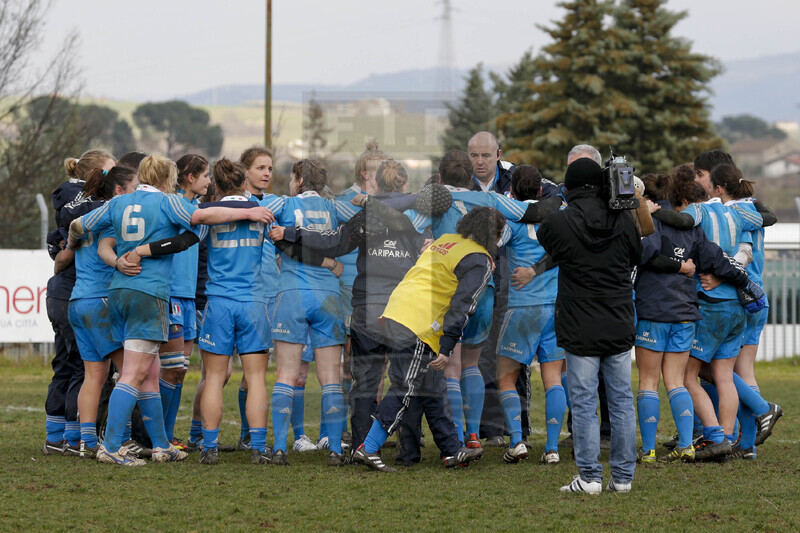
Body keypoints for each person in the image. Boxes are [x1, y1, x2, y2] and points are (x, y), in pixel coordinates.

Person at [69, 154, 274, 466]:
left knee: (150, 373)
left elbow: (78, 225)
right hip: (148, 292)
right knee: (134, 373)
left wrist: (78, 245)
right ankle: (110, 446)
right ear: (168, 179)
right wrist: (249, 211)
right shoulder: (167, 202)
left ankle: (161, 444)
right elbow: (201, 217)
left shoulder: (118, 202)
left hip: (119, 290)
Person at [353, 207, 503, 472]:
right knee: (404, 385)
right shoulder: (478, 259)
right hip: (419, 321)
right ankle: (368, 447)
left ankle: (452, 450)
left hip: (398, 309)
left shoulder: (447, 240)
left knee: (433, 386)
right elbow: (464, 304)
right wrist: (447, 346)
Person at [634, 171, 763, 464]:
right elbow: (717, 260)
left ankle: (649, 451)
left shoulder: (651, 222)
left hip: (654, 311)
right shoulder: (694, 228)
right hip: (685, 313)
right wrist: (745, 283)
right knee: (677, 381)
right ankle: (686, 445)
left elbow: (643, 255)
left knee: (649, 381)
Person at [537, 158, 641, 494]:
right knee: (621, 400)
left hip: (579, 321)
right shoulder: (624, 219)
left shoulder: (559, 221)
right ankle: (623, 478)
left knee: (583, 401)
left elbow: (546, 238)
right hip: (618, 317)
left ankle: (589, 477)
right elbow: (636, 255)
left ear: (567, 188)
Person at [260, 159, 358, 466]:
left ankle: (279, 448)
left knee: (286, 375)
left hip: (292, 294)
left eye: (292, 178)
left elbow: (256, 209)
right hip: (328, 296)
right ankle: (336, 450)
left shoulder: (284, 204)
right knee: (330, 377)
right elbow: (362, 218)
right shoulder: (334, 207)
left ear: (299, 179)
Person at [63, 165, 139, 457]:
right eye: (134, 188)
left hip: (78, 301)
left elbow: (73, 239)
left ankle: (87, 443)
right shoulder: (113, 216)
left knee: (94, 375)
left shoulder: (88, 217)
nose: (138, 194)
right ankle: (119, 440)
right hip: (101, 301)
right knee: (129, 372)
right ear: (118, 191)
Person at [43, 149, 115, 455]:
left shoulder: (75, 203)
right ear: (95, 174)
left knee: (65, 364)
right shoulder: (82, 203)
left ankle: (56, 436)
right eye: (110, 171)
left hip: (62, 293)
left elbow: (61, 252)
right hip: (73, 293)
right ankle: (74, 438)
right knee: (81, 368)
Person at [495, 165, 566, 465]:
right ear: (540, 190)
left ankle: (516, 442)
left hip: (523, 308)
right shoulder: (557, 217)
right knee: (554, 380)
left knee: (505, 377)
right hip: (555, 308)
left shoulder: (511, 219)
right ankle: (552, 448)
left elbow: (494, 244)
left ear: (511, 191)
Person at [159, 154, 211, 451]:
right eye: (205, 175)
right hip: (172, 295)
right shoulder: (175, 205)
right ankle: (157, 435)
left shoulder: (195, 208)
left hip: (189, 297)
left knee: (180, 369)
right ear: (190, 177)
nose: (209, 181)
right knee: (170, 367)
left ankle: (167, 435)